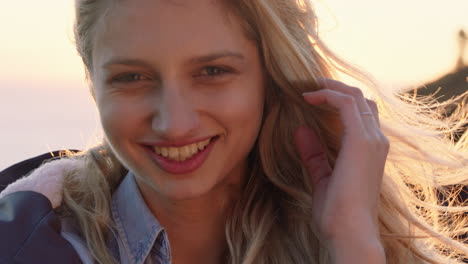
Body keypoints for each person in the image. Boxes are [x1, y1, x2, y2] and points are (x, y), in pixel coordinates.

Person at [0, 0, 467, 263]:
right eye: (132, 77)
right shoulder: (24, 248)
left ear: (271, 75)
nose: (175, 122)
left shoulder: (355, 242)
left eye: (212, 71)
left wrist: (353, 243)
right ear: (92, 81)